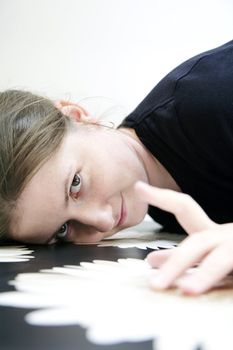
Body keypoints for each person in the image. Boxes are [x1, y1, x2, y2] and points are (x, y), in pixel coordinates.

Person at [0, 40, 233, 295]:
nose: (101, 223)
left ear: (76, 115)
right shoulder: (161, 205)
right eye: (62, 230)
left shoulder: (210, 99)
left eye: (75, 184)